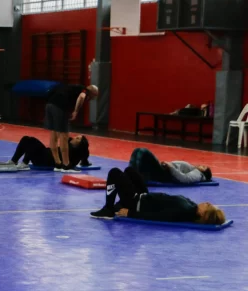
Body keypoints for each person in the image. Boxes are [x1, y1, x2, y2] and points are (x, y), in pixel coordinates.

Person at [90, 167, 225, 224]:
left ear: (203, 214)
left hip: (137, 203)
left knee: (114, 173)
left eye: (209, 206)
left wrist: (130, 213)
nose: (208, 202)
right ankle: (120, 203)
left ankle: (108, 209)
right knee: (130, 171)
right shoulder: (192, 207)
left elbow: (159, 216)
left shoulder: (185, 211)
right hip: (145, 197)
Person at [44, 83, 98, 171]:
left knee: (54, 134)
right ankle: (66, 165)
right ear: (92, 92)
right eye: (94, 96)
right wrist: (76, 111)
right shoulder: (85, 90)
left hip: (49, 105)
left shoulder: (72, 87)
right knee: (64, 136)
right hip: (60, 107)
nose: (92, 98)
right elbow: (81, 97)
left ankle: (58, 163)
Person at [4, 134, 91, 172]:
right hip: (44, 153)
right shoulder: (69, 143)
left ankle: (16, 162)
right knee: (29, 139)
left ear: (79, 145)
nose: (75, 137)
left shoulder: (72, 151)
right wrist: (85, 162)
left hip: (43, 159)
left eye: (78, 139)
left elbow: (84, 153)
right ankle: (22, 162)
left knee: (28, 141)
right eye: (77, 136)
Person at [129, 147, 212, 184]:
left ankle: (132, 178)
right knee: (137, 151)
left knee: (142, 152)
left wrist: (171, 167)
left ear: (204, 173)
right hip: (164, 170)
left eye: (203, 167)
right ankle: (132, 175)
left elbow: (184, 179)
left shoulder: (198, 174)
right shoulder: (193, 168)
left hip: (165, 174)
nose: (201, 165)